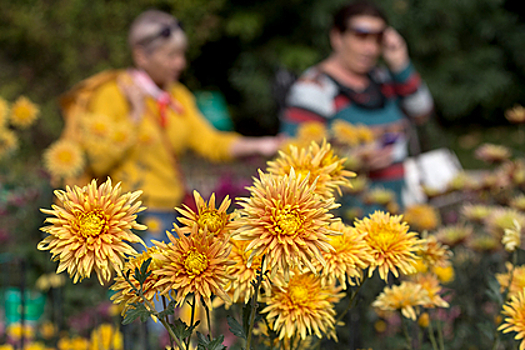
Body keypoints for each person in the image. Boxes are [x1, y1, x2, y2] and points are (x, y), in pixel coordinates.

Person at [59, 10, 282, 242]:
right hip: (127, 219)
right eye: (171, 55)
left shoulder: (178, 97)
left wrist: (261, 144)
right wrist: (135, 115)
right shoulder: (112, 94)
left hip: (171, 214)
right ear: (141, 56)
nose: (181, 63)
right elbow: (98, 159)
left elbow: (211, 142)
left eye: (181, 54)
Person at [280, 0, 433, 218]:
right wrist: (352, 161)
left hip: (394, 216)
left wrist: (400, 64)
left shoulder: (382, 79)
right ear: (337, 37)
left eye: (377, 39)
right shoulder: (314, 87)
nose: (370, 49)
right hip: (345, 225)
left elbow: (422, 113)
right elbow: (291, 157)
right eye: (361, 36)